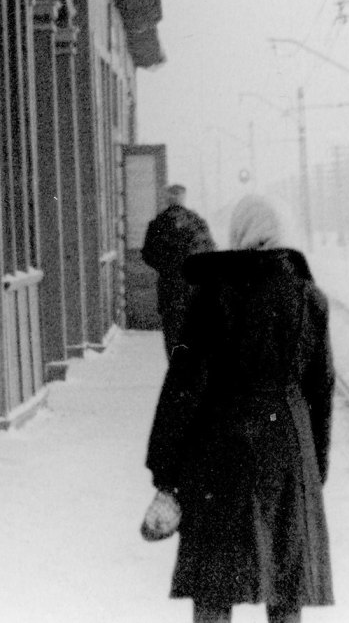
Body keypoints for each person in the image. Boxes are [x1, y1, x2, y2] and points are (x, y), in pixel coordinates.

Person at [146, 195, 334, 623]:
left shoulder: (212, 295)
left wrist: (166, 469)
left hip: (220, 451)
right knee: (287, 583)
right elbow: (320, 391)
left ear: (237, 236)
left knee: (215, 582)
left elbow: (184, 386)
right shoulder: (309, 299)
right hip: (287, 449)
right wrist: (315, 466)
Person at [142, 184, 215, 355]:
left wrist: (166, 268)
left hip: (169, 288)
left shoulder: (157, 223)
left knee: (172, 333)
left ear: (168, 198)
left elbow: (148, 255)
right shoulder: (197, 222)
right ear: (184, 198)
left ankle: (177, 370)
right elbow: (210, 251)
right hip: (194, 288)